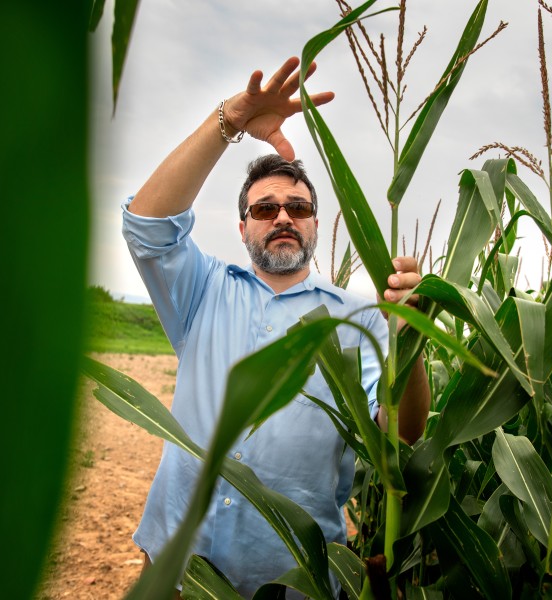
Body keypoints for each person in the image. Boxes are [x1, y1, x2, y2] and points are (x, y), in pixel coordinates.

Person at [122, 57, 430, 598]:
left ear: (315, 223)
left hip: (294, 580)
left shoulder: (359, 320)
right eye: (265, 210)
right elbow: (147, 226)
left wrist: (413, 341)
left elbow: (401, 436)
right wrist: (230, 120)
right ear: (242, 227)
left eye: (297, 207)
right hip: (178, 572)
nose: (282, 217)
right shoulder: (204, 291)